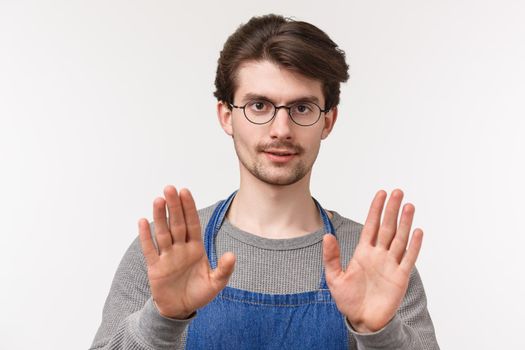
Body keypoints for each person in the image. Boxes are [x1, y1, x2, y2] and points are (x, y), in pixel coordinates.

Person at [90, 14, 439, 350]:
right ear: (227, 116)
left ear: (328, 121)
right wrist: (163, 319)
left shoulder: (378, 259)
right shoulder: (163, 251)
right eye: (259, 105)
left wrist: (379, 334)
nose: (281, 130)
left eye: (302, 108)